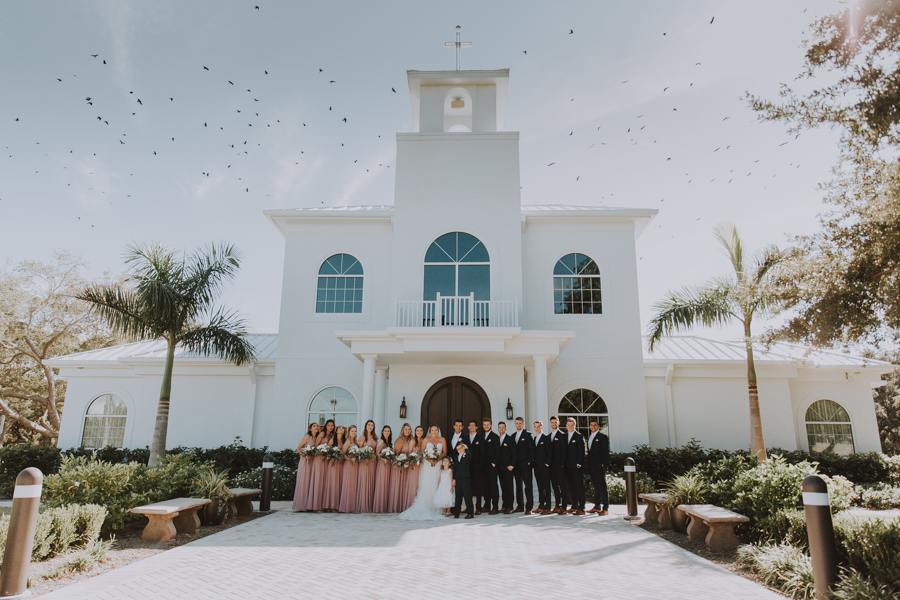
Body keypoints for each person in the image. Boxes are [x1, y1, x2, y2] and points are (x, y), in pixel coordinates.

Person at [398, 425, 445, 520]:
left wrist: (437, 459)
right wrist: (429, 460)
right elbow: (423, 452)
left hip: (438, 464)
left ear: (438, 431)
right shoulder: (426, 440)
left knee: (437, 483)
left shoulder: (442, 439)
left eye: (436, 430)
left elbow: (444, 452)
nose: (434, 432)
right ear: (430, 431)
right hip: (427, 465)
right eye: (432, 430)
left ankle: (437, 506)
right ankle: (427, 504)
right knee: (427, 484)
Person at [307, 419, 335, 511]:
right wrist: (321, 453)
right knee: (318, 480)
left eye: (332, 425)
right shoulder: (322, 434)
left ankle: (322, 504)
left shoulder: (331, 435)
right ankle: (315, 506)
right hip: (319, 459)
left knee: (323, 481)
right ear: (326, 425)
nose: (330, 427)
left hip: (325, 459)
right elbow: (315, 446)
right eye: (329, 425)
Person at [292, 422, 319, 512]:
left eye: (317, 426)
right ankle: (301, 505)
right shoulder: (307, 437)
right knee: (305, 480)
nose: (316, 427)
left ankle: (309, 504)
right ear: (310, 429)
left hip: (313, 461)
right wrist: (305, 455)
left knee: (311, 482)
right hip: (305, 461)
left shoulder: (317, 438)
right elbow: (298, 449)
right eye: (314, 426)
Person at [586, 418, 610, 515]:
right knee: (596, 486)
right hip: (592, 465)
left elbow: (605, 451)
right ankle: (597, 506)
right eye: (591, 425)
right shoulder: (589, 437)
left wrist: (603, 463)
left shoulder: (602, 437)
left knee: (602, 486)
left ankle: (606, 507)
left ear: (598, 426)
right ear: (589, 426)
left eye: (595, 425)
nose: (593, 426)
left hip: (599, 465)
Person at [389, 423, 414, 512]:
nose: (407, 431)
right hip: (399, 466)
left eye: (409, 429)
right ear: (402, 430)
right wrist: (401, 462)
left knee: (404, 486)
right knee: (398, 486)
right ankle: (396, 507)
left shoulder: (411, 440)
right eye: (406, 429)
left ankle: (404, 506)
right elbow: (396, 454)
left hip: (407, 466)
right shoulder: (400, 440)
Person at [564, 417, 586, 515]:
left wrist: (579, 464)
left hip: (576, 467)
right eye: (568, 425)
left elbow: (582, 452)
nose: (570, 427)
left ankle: (582, 507)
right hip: (567, 466)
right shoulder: (565, 436)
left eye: (572, 425)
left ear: (575, 425)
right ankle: (574, 505)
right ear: (566, 426)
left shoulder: (579, 436)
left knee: (579, 487)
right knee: (571, 486)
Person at [512, 416, 534, 514]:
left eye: (520, 423)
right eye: (517, 423)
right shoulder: (513, 436)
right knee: (518, 486)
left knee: (528, 486)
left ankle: (529, 507)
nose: (518, 425)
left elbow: (532, 449)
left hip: (525, 465)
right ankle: (520, 506)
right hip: (516, 466)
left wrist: (529, 461)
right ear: (515, 424)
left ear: (523, 424)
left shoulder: (528, 435)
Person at [356, 419, 378, 513]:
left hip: (373, 461)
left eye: (372, 425)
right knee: (364, 481)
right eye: (368, 425)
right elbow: (359, 450)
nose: (370, 427)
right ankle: (362, 504)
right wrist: (365, 454)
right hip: (365, 461)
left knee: (371, 481)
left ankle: (370, 504)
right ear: (366, 426)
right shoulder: (362, 437)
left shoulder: (375, 437)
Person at [548, 416, 569, 514]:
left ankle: (564, 507)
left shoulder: (562, 435)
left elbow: (564, 451)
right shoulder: (549, 436)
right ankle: (557, 505)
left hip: (559, 466)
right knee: (555, 486)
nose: (554, 424)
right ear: (550, 423)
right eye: (552, 422)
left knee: (562, 486)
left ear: (558, 423)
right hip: (551, 466)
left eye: (555, 422)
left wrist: (562, 464)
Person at [323, 425, 346, 511]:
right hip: (333, 464)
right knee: (332, 483)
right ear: (336, 431)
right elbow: (327, 451)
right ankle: (330, 505)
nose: (341, 429)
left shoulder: (344, 440)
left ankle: (337, 505)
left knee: (339, 484)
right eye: (339, 428)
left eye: (342, 428)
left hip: (341, 464)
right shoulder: (333, 440)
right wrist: (332, 455)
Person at [532, 420, 552, 514]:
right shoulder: (535, 438)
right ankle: (541, 505)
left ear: (542, 427)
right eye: (535, 427)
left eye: (538, 426)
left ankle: (547, 507)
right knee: (540, 487)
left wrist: (546, 464)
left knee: (546, 487)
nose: (537, 428)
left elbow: (550, 453)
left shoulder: (546, 438)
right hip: (536, 467)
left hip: (544, 467)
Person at [481, 418, 500, 514]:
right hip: (484, 467)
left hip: (492, 466)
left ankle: (495, 506)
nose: (486, 426)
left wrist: (494, 463)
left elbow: (498, 451)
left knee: (493, 486)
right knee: (486, 486)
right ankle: (487, 505)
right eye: (484, 425)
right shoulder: (482, 437)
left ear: (491, 425)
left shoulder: (495, 436)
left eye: (488, 425)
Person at [338, 425, 359, 513]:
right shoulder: (348, 442)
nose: (354, 433)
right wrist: (350, 459)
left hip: (355, 465)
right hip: (349, 464)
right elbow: (342, 454)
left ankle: (352, 505)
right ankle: (346, 506)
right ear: (349, 432)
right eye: (352, 431)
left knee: (353, 484)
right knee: (348, 483)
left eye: (355, 431)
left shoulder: (355, 442)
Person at [497, 421, 517, 514]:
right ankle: (504, 505)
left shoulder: (510, 439)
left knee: (509, 487)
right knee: (503, 487)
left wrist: (512, 465)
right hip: (500, 468)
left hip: (508, 468)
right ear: (498, 429)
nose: (501, 429)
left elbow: (514, 453)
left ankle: (510, 506)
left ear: (505, 429)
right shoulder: (497, 439)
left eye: (503, 427)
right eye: (499, 428)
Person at [372, 425, 393, 513]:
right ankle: (379, 506)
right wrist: (382, 458)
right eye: (385, 431)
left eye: (388, 431)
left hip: (387, 464)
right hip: (382, 464)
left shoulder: (388, 441)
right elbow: (377, 453)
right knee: (381, 483)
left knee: (386, 483)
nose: (387, 432)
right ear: (382, 432)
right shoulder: (381, 441)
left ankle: (384, 505)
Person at [452, 441, 475, 519]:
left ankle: (470, 513)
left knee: (467, 496)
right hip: (458, 479)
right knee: (458, 496)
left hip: (465, 478)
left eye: (460, 448)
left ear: (463, 448)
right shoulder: (456, 457)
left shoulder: (467, 455)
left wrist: (467, 448)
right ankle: (457, 513)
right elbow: (454, 468)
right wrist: (453, 478)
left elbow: (470, 457)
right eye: (457, 449)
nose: (459, 450)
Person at [465, 420, 484, 514]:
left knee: (477, 488)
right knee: (467, 488)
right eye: (470, 425)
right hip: (467, 468)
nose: (472, 427)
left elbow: (483, 453)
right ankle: (468, 507)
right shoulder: (465, 438)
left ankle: (478, 507)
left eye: (474, 425)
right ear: (468, 427)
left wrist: (479, 466)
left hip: (477, 468)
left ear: (476, 427)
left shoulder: (480, 438)